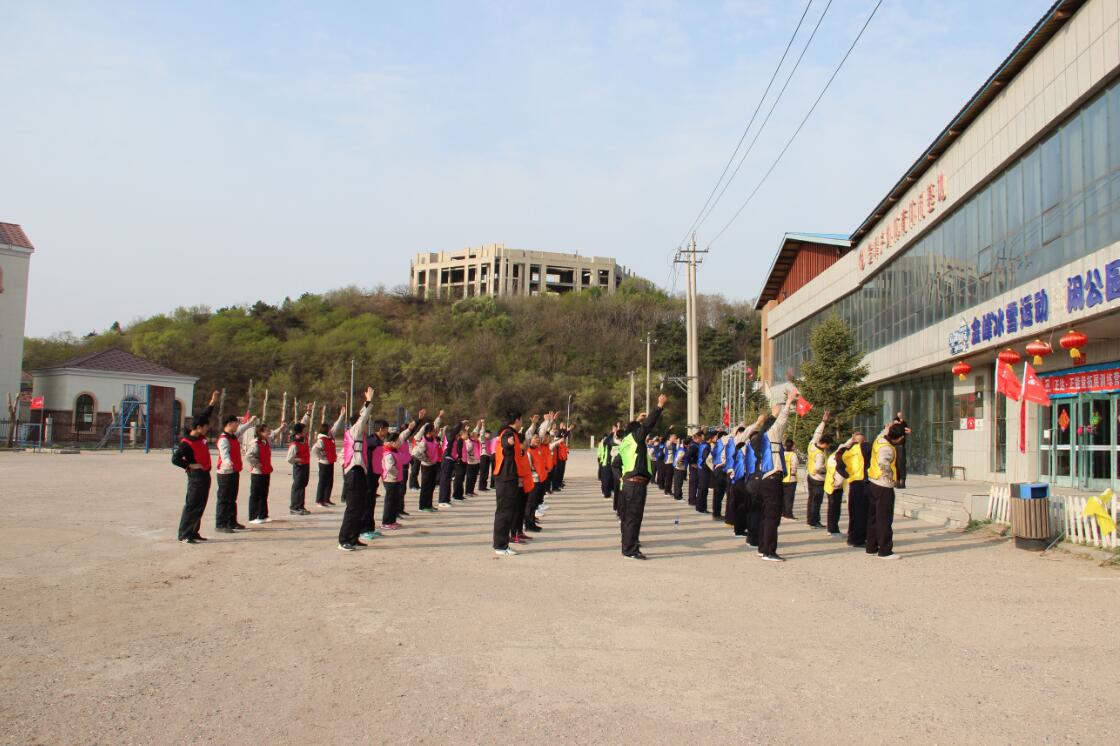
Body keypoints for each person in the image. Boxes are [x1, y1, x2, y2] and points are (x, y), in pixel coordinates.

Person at [618, 393, 668, 560]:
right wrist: (659, 406)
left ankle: (627, 544)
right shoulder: (635, 438)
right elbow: (647, 425)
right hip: (635, 484)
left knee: (627, 518)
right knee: (634, 517)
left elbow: (633, 429)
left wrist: (636, 421)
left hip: (628, 483)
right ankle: (630, 550)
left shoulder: (626, 442)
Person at [753, 390, 796, 562]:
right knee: (772, 516)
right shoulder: (772, 435)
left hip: (765, 479)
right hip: (773, 478)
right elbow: (782, 420)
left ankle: (762, 547)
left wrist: (772, 415)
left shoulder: (761, 437)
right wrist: (789, 401)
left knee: (766, 515)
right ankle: (769, 551)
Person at [171, 390, 219, 544]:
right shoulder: (186, 443)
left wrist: (212, 402)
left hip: (205, 475)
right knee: (192, 504)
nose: (206, 429)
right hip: (196, 477)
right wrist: (190, 465)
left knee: (200, 504)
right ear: (198, 427)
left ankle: (194, 531)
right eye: (205, 427)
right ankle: (184, 534)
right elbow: (175, 459)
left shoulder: (199, 436)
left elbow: (204, 415)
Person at [338, 388, 375, 551]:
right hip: (353, 473)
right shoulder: (354, 431)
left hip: (359, 472)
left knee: (360, 507)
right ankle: (344, 540)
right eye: (366, 424)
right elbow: (362, 418)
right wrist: (368, 401)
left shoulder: (359, 437)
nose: (367, 427)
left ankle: (354, 538)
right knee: (352, 508)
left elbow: (341, 455)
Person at [492, 409, 533, 556]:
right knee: (504, 512)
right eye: (521, 420)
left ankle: (502, 544)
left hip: (509, 477)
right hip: (506, 478)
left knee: (507, 512)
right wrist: (509, 443)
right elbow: (505, 442)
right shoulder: (508, 433)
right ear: (517, 420)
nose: (522, 422)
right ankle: (500, 546)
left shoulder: (512, 433)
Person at [867, 423, 906, 559]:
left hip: (873, 481)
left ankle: (871, 547)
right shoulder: (887, 448)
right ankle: (885, 550)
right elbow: (883, 463)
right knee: (884, 519)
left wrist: (887, 428)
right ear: (900, 438)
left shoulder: (879, 440)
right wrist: (890, 477)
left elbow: (882, 432)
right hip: (883, 485)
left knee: (873, 517)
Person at [214, 413, 256, 533]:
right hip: (225, 473)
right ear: (229, 424)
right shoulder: (223, 439)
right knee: (224, 499)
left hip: (234, 471)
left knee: (232, 498)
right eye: (236, 424)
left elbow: (242, 429)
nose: (238, 426)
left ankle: (231, 522)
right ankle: (220, 524)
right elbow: (224, 454)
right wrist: (228, 462)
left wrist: (250, 422)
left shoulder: (233, 436)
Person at [245, 419, 285, 524]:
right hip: (257, 473)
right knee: (255, 495)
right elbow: (248, 456)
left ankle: (263, 515)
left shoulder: (266, 441)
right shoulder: (255, 444)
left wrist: (281, 428)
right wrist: (256, 463)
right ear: (261, 432)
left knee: (264, 494)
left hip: (266, 471)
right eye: (267, 430)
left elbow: (273, 434)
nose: (269, 432)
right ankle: (253, 517)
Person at [836, 432, 871, 548]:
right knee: (862, 513)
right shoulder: (864, 448)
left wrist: (847, 476)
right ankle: (859, 539)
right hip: (862, 482)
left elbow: (838, 467)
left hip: (852, 482)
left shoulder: (845, 452)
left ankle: (851, 537)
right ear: (863, 440)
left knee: (853, 512)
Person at [380, 420, 415, 530]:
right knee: (389, 501)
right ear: (391, 442)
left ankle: (392, 520)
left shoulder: (396, 451)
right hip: (390, 480)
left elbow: (402, 436)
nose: (399, 443)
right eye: (397, 442)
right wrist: (397, 473)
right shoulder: (388, 453)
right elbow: (389, 467)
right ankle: (386, 522)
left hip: (396, 479)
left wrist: (409, 429)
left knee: (394, 500)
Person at [311, 406, 347, 507]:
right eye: (329, 429)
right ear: (326, 430)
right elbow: (314, 449)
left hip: (330, 462)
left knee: (329, 481)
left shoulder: (330, 437)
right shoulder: (321, 440)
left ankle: (326, 499)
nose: (331, 430)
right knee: (322, 482)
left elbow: (336, 426)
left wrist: (341, 415)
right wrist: (322, 457)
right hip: (323, 463)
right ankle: (319, 500)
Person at [411, 411, 443, 512]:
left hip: (433, 465)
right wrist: (426, 459)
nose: (436, 432)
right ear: (429, 432)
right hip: (426, 466)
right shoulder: (423, 441)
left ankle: (429, 505)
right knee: (426, 486)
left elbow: (436, 426)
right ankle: (423, 506)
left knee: (432, 486)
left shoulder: (433, 439)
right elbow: (416, 453)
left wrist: (439, 417)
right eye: (434, 431)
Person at [286, 404, 313, 515]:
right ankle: (294, 507)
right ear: (300, 432)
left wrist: (308, 412)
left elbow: (304, 422)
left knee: (303, 485)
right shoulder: (295, 444)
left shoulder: (303, 438)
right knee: (297, 486)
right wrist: (298, 460)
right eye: (304, 430)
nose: (306, 430)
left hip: (306, 465)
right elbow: (289, 459)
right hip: (299, 467)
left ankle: (300, 505)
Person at [804, 414, 831, 528]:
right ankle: (814, 521)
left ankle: (810, 519)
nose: (828, 447)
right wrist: (825, 468)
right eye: (828, 445)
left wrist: (823, 422)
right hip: (818, 478)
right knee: (817, 501)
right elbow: (819, 466)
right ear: (825, 444)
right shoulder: (819, 454)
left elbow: (817, 433)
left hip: (810, 475)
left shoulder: (812, 445)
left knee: (811, 499)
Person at [711, 430, 731, 521]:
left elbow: (710, 458)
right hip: (722, 470)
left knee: (718, 494)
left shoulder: (716, 445)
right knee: (725, 493)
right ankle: (723, 515)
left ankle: (716, 513)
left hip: (717, 469)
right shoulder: (723, 444)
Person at [892, 412, 912, 488]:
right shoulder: (894, 426)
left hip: (900, 446)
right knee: (895, 464)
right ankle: (897, 481)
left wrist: (906, 431)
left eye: (901, 416)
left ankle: (902, 481)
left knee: (901, 464)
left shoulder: (903, 424)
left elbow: (908, 431)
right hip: (894, 446)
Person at [781, 437, 798, 520]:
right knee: (789, 498)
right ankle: (788, 513)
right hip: (791, 478)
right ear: (792, 446)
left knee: (783, 497)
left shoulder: (782, 454)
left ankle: (783, 512)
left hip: (782, 478)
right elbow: (794, 465)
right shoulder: (793, 455)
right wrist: (793, 472)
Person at [464, 424, 483, 497]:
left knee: (474, 478)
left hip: (476, 462)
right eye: (475, 436)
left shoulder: (476, 442)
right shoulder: (469, 442)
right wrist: (466, 430)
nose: (477, 437)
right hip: (470, 462)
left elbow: (476, 430)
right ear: (472, 437)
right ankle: (468, 491)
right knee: (469, 478)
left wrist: (478, 425)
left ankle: (471, 491)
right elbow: (467, 451)